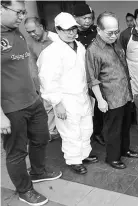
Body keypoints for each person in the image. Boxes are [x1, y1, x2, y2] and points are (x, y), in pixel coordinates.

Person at [1, 0, 62, 205]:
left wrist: (37, 91)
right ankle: (24, 190)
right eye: (18, 12)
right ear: (1, 8)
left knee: (42, 138)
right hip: (11, 108)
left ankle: (38, 171)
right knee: (17, 152)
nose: (22, 17)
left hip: (32, 100)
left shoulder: (17, 32)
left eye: (24, 12)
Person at [37, 12, 98, 175]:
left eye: (73, 28)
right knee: (70, 131)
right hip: (65, 98)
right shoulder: (52, 52)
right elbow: (47, 80)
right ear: (57, 29)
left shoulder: (80, 46)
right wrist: (57, 104)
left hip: (82, 95)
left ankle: (83, 154)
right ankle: (73, 160)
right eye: (66, 30)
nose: (71, 32)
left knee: (86, 127)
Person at [86, 12, 138, 170]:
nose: (114, 35)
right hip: (110, 96)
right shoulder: (93, 50)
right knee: (113, 129)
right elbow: (92, 78)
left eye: (116, 31)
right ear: (98, 29)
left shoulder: (116, 43)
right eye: (110, 33)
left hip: (125, 93)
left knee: (125, 124)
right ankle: (113, 157)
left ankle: (124, 149)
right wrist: (100, 100)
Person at [24, 17, 61, 142]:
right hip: (44, 80)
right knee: (47, 106)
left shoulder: (56, 39)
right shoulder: (29, 42)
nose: (31, 34)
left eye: (33, 31)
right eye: (28, 32)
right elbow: (32, 64)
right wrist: (36, 84)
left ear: (41, 26)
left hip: (60, 79)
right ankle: (51, 132)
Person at [73, 3, 105, 146]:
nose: (88, 21)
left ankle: (98, 132)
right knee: (82, 109)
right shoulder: (71, 34)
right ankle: (84, 137)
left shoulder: (95, 32)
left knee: (98, 105)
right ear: (75, 18)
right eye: (84, 18)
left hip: (96, 77)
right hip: (78, 78)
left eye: (90, 18)